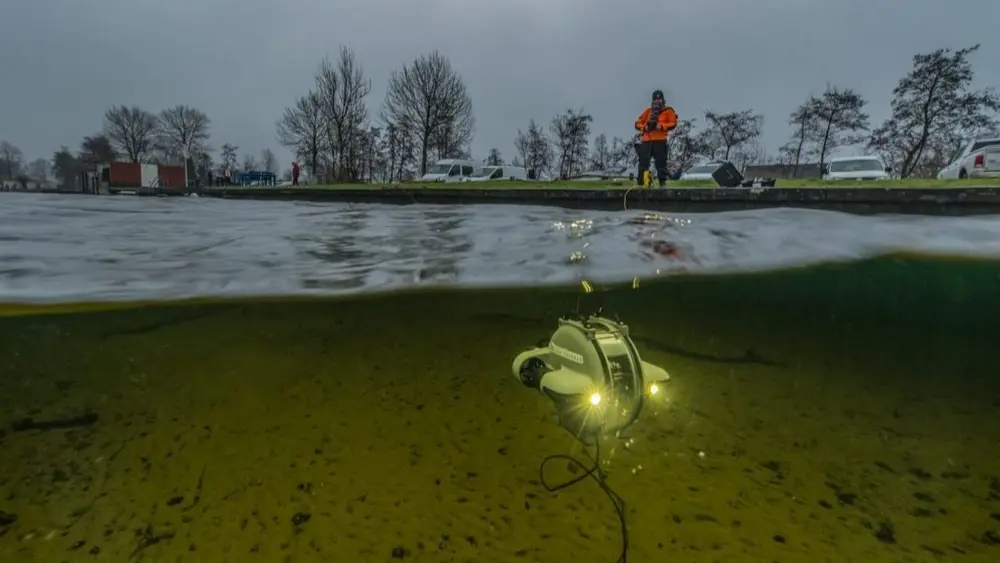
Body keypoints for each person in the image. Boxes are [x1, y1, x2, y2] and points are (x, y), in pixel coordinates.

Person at [633, 90, 677, 187]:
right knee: (644, 163)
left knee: (660, 163)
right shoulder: (648, 111)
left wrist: (661, 126)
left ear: (663, 100)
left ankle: (662, 183)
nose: (657, 101)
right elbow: (637, 123)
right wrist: (644, 127)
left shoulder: (668, 111)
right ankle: (642, 183)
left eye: (659, 99)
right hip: (647, 139)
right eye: (655, 99)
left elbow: (673, 123)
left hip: (660, 140)